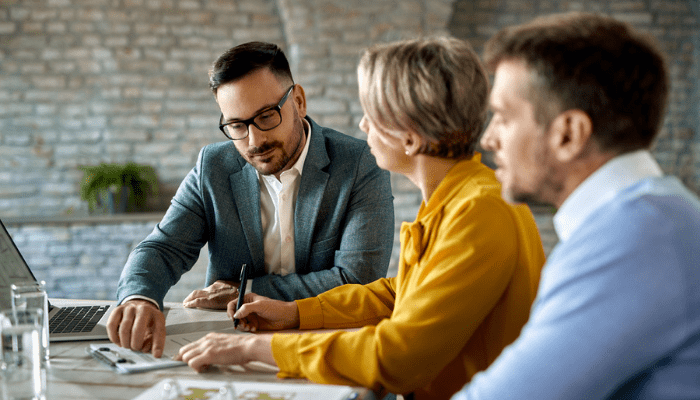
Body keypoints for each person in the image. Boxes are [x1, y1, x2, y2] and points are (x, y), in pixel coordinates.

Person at [175, 37, 546, 400]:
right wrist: (294, 312)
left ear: (411, 137)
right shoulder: (458, 196)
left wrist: (256, 350)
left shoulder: (479, 210)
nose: (364, 126)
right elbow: (400, 293)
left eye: (372, 114)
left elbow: (399, 355)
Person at [451, 12, 700, 400]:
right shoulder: (654, 217)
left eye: (502, 117)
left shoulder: (635, 238)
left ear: (568, 134)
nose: (488, 138)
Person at [107, 41, 395, 358]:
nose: (254, 141)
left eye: (267, 116)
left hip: (328, 344)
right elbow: (163, 247)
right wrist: (139, 298)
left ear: (298, 101)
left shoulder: (359, 164)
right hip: (231, 344)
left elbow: (358, 280)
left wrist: (248, 290)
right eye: (236, 125)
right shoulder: (213, 166)